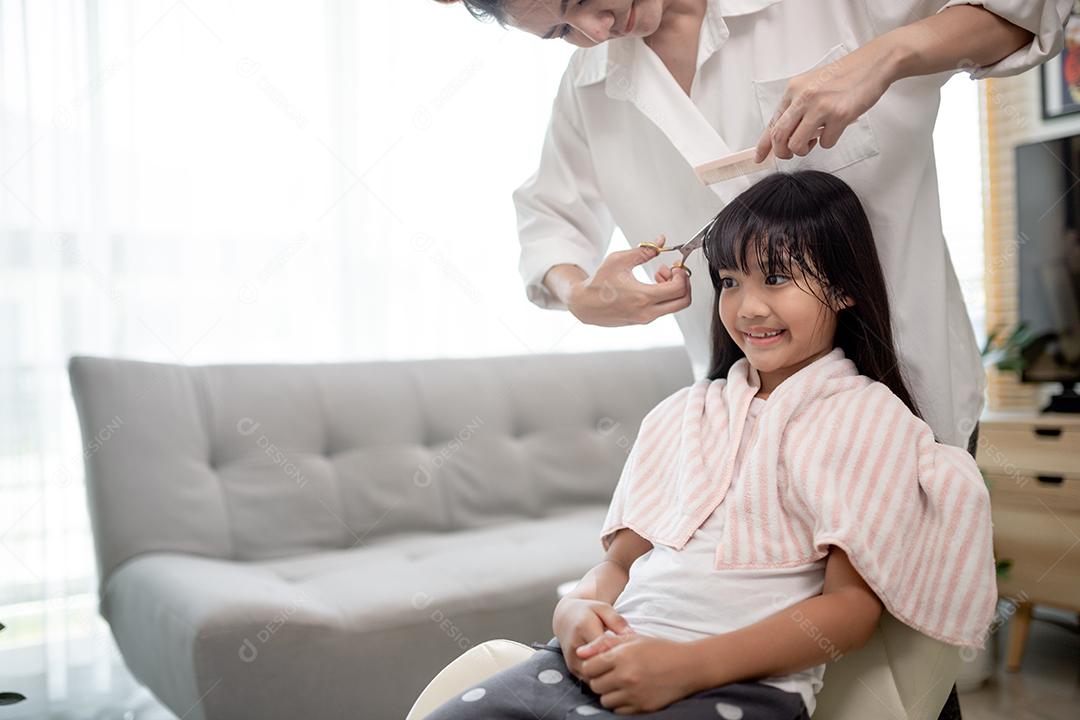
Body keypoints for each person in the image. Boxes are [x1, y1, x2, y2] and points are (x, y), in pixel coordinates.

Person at [420, 171, 998, 719]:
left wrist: (684, 667)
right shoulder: (683, 413)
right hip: (598, 664)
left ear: (845, 287)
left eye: (775, 278)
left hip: (736, 688)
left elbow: (849, 613)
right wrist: (573, 611)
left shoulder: (869, 420)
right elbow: (619, 563)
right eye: (729, 282)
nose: (747, 307)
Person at [432, 0, 1072, 458]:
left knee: (897, 638)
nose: (595, 31)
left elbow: (1032, 10)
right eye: (560, 32)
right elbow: (548, 219)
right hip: (746, 430)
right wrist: (581, 294)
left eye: (579, 0)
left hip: (910, 397)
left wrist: (887, 56)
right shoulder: (589, 87)